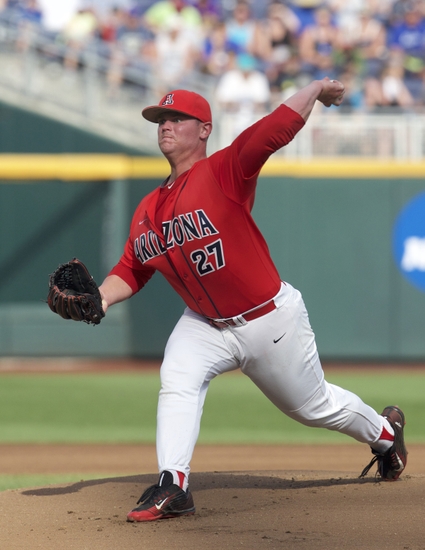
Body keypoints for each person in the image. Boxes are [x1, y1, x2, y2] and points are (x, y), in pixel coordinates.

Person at [98, 78, 407, 522]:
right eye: (159, 119)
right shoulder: (148, 207)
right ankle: (173, 485)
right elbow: (132, 268)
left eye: (175, 118)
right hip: (204, 323)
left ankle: (383, 432)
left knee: (314, 407)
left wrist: (316, 87)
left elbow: (278, 126)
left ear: (204, 129)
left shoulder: (225, 170)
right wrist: (102, 299)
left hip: (267, 320)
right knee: (178, 376)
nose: (164, 125)